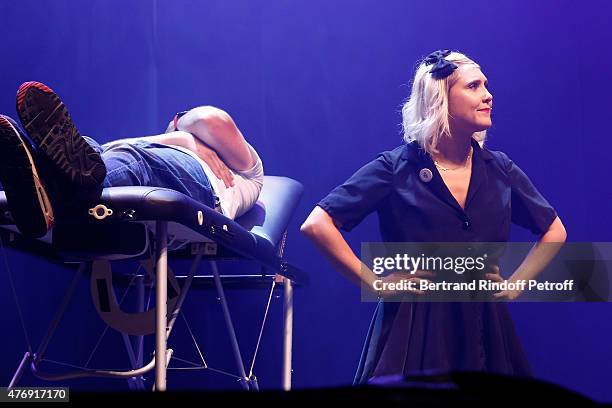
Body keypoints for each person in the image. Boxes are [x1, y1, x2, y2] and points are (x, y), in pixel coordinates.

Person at [301, 50, 567, 383]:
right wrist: (375, 283)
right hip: (414, 326)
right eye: (474, 86)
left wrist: (516, 286)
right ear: (440, 97)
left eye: (486, 85)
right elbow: (317, 223)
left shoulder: (499, 169)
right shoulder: (396, 167)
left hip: (483, 323)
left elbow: (554, 230)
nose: (488, 95)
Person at [0, 81, 263, 238]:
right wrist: (182, 139)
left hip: (205, 193)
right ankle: (43, 189)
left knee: (131, 161)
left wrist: (182, 133)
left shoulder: (250, 173)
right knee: (91, 149)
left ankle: (42, 190)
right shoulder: (169, 147)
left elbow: (211, 119)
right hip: (114, 160)